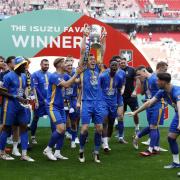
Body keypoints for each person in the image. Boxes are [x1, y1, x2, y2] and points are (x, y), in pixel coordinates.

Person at [126, 72, 180, 169]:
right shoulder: (162, 92)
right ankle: (176, 163)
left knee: (156, 127)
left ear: (164, 82)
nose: (156, 82)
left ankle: (151, 148)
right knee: (171, 137)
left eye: (158, 81)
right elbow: (149, 103)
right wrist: (135, 112)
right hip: (178, 114)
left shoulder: (176, 91)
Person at [43, 57, 82, 161]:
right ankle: (48, 149)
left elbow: (76, 81)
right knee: (60, 129)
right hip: (52, 106)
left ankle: (57, 152)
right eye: (65, 62)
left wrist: (81, 72)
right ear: (59, 65)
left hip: (61, 106)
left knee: (63, 130)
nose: (67, 64)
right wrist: (76, 74)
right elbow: (67, 84)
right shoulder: (53, 76)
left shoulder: (64, 75)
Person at [0, 56, 34, 161]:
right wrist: (16, 97)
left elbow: (22, 90)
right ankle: (1, 153)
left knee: (23, 127)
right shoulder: (8, 76)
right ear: (18, 66)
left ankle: (24, 154)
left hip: (21, 106)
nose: (25, 67)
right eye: (23, 65)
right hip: (9, 106)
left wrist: (26, 98)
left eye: (25, 65)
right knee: (6, 128)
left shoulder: (24, 76)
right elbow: (1, 91)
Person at [133, 63, 167, 156]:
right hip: (150, 106)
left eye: (139, 74)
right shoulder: (146, 80)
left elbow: (164, 91)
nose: (138, 76)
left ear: (144, 71)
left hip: (158, 105)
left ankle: (150, 149)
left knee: (153, 127)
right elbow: (149, 93)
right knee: (153, 127)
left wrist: (165, 102)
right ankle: (156, 147)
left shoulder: (154, 78)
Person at [99, 58, 124, 151]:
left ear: (118, 67)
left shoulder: (119, 78)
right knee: (104, 121)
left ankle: (106, 141)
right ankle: (105, 144)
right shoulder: (102, 76)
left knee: (111, 123)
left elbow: (118, 90)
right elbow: (98, 88)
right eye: (112, 65)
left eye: (116, 65)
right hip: (103, 102)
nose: (114, 67)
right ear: (109, 66)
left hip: (113, 103)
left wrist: (118, 102)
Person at [118, 56, 140, 135]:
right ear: (119, 64)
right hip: (121, 96)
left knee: (135, 112)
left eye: (124, 63)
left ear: (126, 62)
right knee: (121, 115)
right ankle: (121, 132)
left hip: (131, 96)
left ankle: (137, 128)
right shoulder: (118, 71)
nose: (122, 64)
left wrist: (135, 91)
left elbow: (137, 80)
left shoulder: (131, 69)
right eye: (121, 63)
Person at [30, 59, 51, 144]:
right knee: (35, 118)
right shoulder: (35, 74)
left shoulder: (50, 75)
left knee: (53, 119)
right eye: (45, 64)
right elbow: (35, 88)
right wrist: (41, 99)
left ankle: (54, 138)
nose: (46, 66)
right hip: (39, 101)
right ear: (41, 65)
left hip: (49, 102)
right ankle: (33, 136)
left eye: (47, 64)